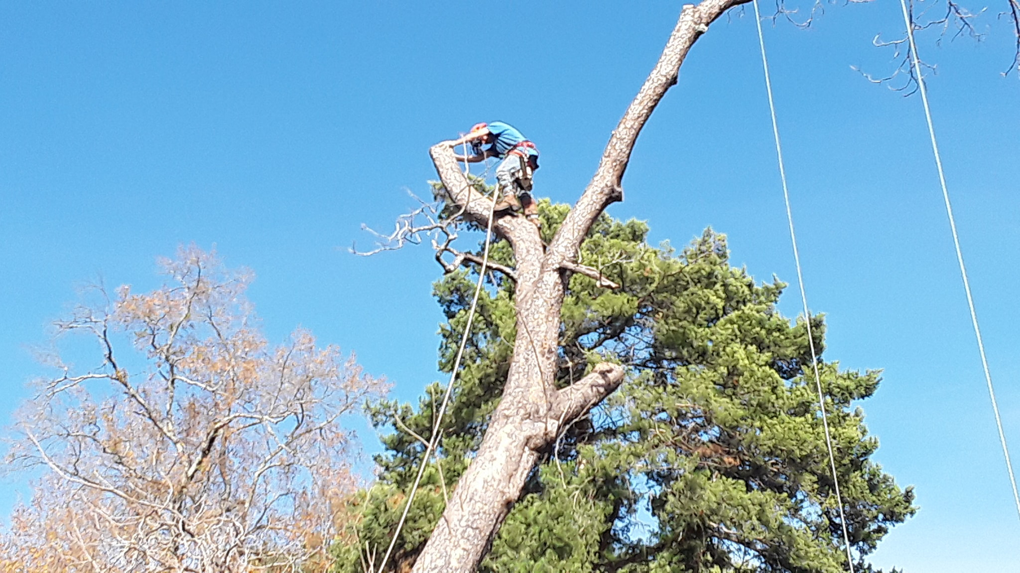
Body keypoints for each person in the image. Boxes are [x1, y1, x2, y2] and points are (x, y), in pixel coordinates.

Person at [445, 121, 541, 226]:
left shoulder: (496, 126)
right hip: (527, 158)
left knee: (502, 171)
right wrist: (454, 157)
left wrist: (453, 143)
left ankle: (509, 198)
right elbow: (479, 158)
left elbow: (477, 134)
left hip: (521, 151)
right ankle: (533, 217)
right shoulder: (495, 148)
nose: (482, 142)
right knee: (520, 188)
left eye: (480, 139)